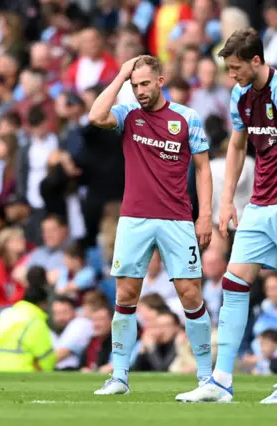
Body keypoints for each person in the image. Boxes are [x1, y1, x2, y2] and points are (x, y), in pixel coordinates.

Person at [177, 28, 277, 404]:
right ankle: (221, 381)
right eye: (228, 68)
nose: (232, 75)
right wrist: (227, 203)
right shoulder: (240, 93)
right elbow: (238, 144)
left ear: (256, 60)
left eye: (236, 67)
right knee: (233, 283)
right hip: (257, 203)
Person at [88, 54, 213, 396]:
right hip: (134, 218)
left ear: (160, 81)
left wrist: (204, 215)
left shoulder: (187, 118)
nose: (139, 91)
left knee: (190, 294)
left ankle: (206, 378)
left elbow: (203, 169)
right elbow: (95, 115)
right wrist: (120, 77)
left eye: (145, 83)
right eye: (135, 85)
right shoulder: (128, 114)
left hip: (177, 218)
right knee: (126, 294)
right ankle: (120, 376)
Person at [0, 282, 55, 373]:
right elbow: (47, 357)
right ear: (42, 303)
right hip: (21, 370)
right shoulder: (36, 321)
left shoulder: (5, 314)